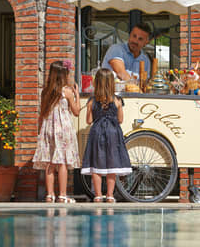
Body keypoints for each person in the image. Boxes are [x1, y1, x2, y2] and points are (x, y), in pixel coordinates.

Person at [33, 60, 81, 203]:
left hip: (49, 129)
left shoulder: (46, 91)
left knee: (50, 162)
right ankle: (62, 195)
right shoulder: (67, 91)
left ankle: (50, 195)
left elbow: (43, 113)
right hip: (63, 129)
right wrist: (77, 95)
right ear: (64, 75)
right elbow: (76, 111)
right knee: (62, 163)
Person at [81, 68, 132, 202]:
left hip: (97, 132)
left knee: (96, 165)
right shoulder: (117, 100)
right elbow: (120, 120)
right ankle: (110, 195)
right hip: (113, 133)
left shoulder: (92, 101)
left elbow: (89, 120)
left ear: (96, 82)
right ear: (111, 83)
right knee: (112, 164)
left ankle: (98, 195)